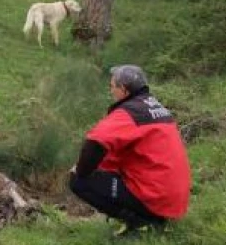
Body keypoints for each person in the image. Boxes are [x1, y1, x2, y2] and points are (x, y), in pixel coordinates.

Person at [69, 65, 191, 236]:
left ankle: (141, 222)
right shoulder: (156, 108)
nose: (110, 91)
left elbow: (95, 142)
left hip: (155, 197)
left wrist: (81, 170)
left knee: (78, 180)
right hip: (173, 198)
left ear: (124, 90)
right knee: (104, 169)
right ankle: (150, 219)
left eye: (112, 87)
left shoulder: (129, 112)